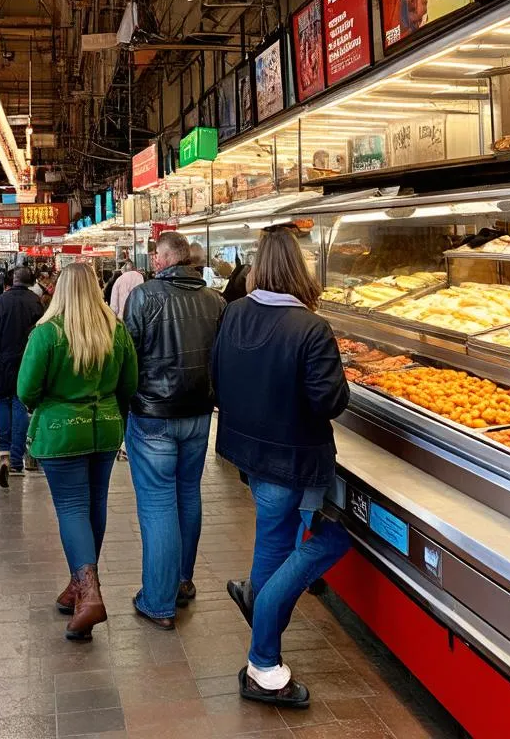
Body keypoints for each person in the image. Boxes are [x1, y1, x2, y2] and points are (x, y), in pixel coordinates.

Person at [213, 228, 350, 709]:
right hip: (292, 458)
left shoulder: (233, 314)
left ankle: (258, 615)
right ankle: (263, 665)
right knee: (335, 539)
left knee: (272, 540)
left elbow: (220, 377)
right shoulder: (310, 328)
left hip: (250, 455)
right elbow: (330, 402)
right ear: (299, 269)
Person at [17, 263, 137, 642]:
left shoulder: (47, 334)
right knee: (94, 505)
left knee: (71, 509)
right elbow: (129, 384)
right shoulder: (116, 331)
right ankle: (79, 586)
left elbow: (26, 391)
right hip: (105, 428)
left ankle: (89, 596)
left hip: (60, 431)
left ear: (60, 291)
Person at [123, 231, 224, 629]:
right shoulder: (215, 301)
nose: (153, 260)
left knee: (158, 504)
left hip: (152, 416)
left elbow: (127, 356)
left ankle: (158, 601)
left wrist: (125, 401)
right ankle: (183, 581)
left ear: (168, 259)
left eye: (156, 255)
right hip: (199, 415)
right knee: (188, 495)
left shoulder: (144, 297)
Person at [0, 266, 44, 486]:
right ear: (31, 281)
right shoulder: (36, 303)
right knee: (20, 405)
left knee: (3, 403)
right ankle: (17, 460)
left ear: (11, 281)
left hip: (2, 361)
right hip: (27, 361)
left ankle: (3, 453)